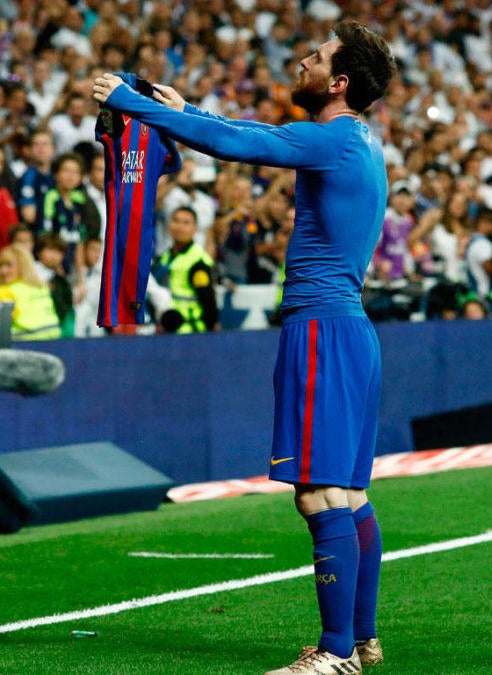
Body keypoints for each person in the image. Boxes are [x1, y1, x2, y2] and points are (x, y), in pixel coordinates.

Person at [93, 20, 396, 674]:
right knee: (349, 493)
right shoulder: (362, 142)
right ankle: (363, 640)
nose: (302, 62)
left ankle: (335, 653)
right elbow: (248, 133)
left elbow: (241, 142)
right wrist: (186, 111)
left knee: (319, 495)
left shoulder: (335, 139)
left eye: (315, 58)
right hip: (352, 329)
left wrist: (131, 102)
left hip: (322, 328)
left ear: (338, 82)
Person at [154, 206, 218, 334]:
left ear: (195, 229)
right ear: (169, 225)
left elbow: (208, 302)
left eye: (186, 223)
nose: (179, 227)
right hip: (167, 329)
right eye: (176, 221)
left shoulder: (198, 261)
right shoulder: (164, 258)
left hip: (190, 332)